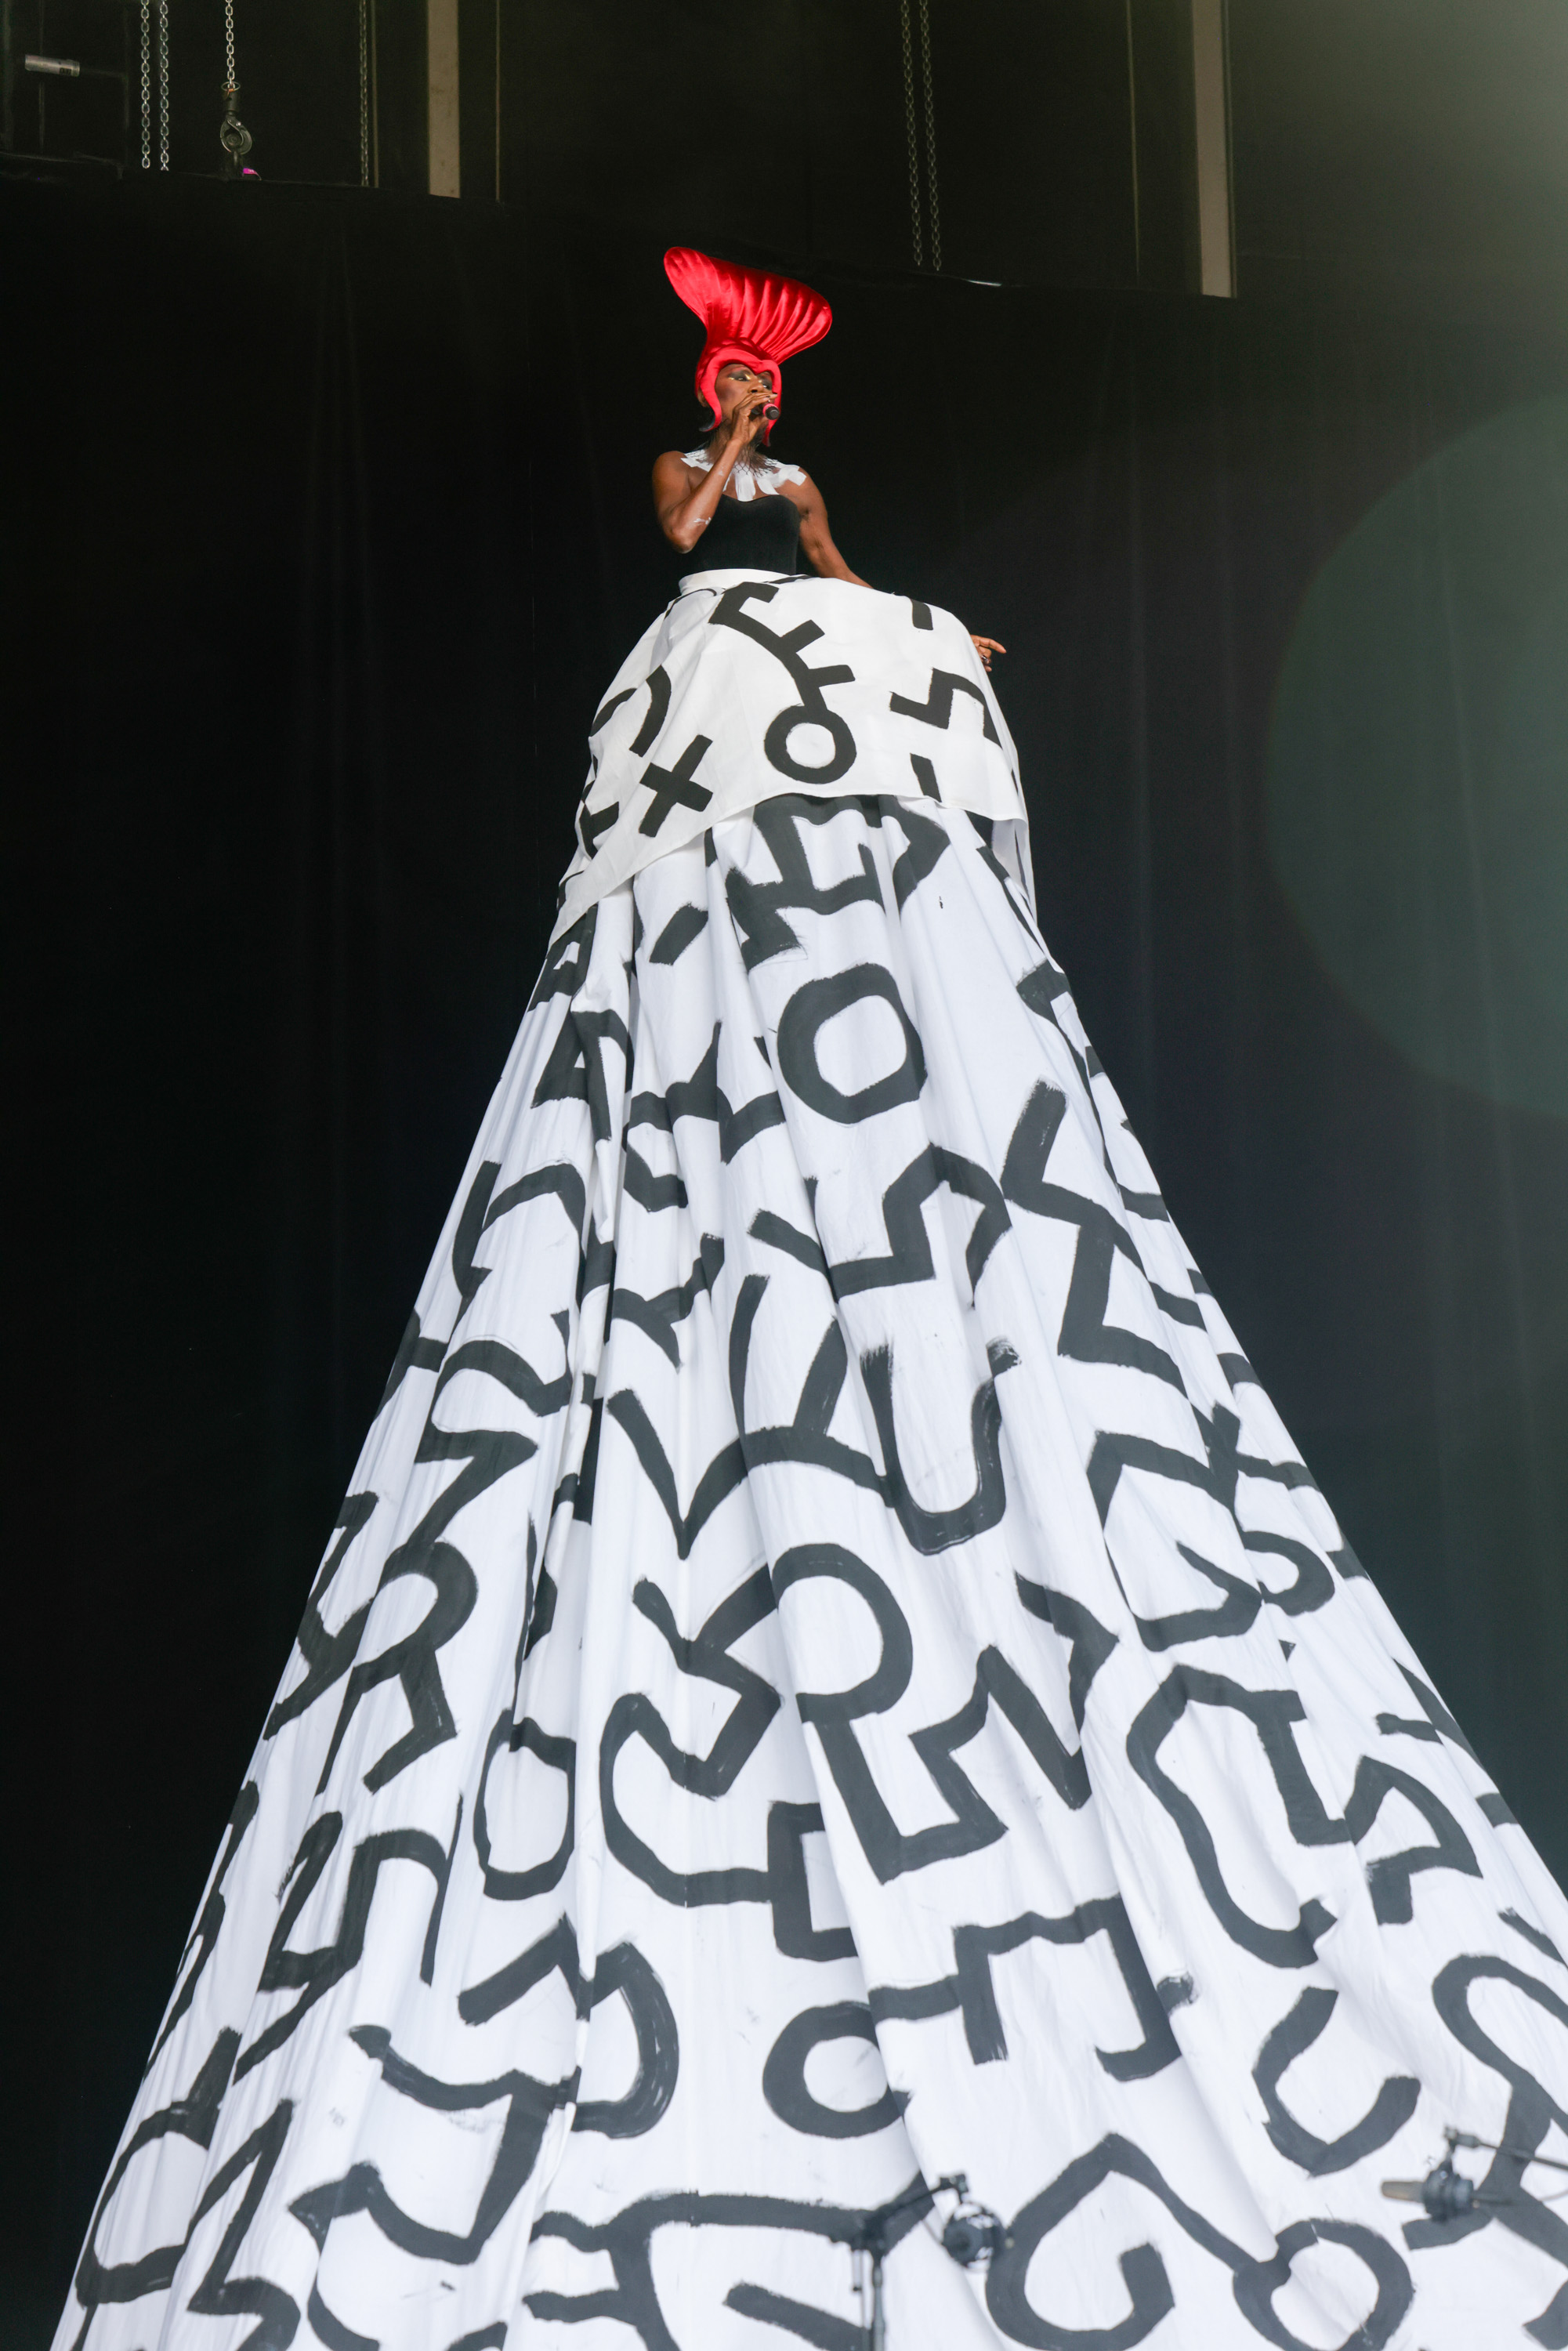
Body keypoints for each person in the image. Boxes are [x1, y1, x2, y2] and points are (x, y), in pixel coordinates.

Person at [58, 250, 1568, 2351]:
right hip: (714, 786)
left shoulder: (814, 510)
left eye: (759, 387)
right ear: (718, 377)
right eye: (741, 382)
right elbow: (685, 546)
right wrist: (733, 478)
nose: (755, 406)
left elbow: (839, 560)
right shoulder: (705, 472)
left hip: (858, 867)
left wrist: (878, 592)